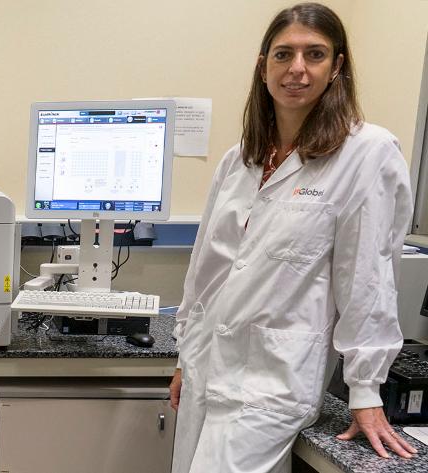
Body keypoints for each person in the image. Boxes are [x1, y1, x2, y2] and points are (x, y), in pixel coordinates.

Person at [168, 3, 417, 472]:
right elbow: (207, 266)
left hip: (271, 381)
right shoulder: (240, 158)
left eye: (314, 54)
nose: (297, 69)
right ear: (263, 68)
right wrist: (185, 356)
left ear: (337, 66)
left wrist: (365, 390)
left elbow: (367, 277)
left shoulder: (367, 154)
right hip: (207, 366)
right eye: (283, 55)